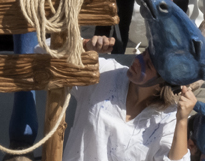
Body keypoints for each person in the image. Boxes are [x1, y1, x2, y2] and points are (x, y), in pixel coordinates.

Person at [63, 35, 197, 161]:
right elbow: (46, 52)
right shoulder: (106, 73)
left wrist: (182, 120)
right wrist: (84, 46)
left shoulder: (168, 118)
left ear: (161, 85)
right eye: (144, 54)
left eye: (148, 64)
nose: (138, 61)